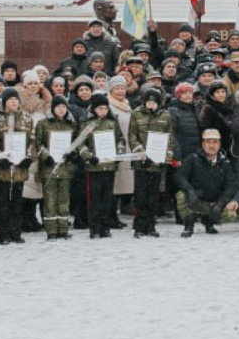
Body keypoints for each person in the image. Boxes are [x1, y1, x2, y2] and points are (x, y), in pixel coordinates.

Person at [127, 87, 174, 238]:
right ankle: (139, 226)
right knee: (140, 196)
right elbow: (132, 136)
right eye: (148, 102)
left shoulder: (165, 115)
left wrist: (165, 158)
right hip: (141, 162)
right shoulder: (136, 114)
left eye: (154, 102)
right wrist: (141, 153)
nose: (151, 105)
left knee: (153, 196)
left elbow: (170, 138)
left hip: (156, 163)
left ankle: (151, 225)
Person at [175, 129, 239, 236]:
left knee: (231, 214)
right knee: (181, 195)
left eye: (215, 142)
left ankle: (209, 221)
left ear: (219, 144)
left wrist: (220, 204)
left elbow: (231, 186)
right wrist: (190, 191)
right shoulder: (192, 158)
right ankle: (188, 224)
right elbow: (179, 176)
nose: (211, 145)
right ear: (203, 143)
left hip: (214, 202)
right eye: (208, 142)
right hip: (196, 199)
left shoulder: (225, 162)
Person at [35, 96, 82, 240]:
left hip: (65, 168)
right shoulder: (43, 124)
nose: (61, 110)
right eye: (58, 107)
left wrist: (72, 154)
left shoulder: (71, 125)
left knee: (64, 199)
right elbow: (37, 143)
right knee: (50, 200)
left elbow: (76, 143)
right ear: (53, 109)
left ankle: (63, 229)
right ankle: (51, 230)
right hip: (49, 168)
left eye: (63, 107)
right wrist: (46, 156)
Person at [0, 88, 34, 244]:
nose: (14, 102)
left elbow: (32, 140)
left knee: (17, 203)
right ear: (4, 102)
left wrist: (29, 157)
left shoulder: (26, 118)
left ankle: (16, 232)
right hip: (2, 169)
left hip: (19, 169)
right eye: (10, 99)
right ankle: (3, 234)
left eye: (16, 99)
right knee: (2, 203)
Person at [81, 96, 122, 239]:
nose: (103, 111)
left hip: (109, 165)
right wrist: (89, 156)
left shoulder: (113, 122)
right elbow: (81, 143)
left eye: (105, 108)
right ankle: (94, 228)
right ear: (94, 109)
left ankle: (105, 227)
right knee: (94, 199)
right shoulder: (88, 123)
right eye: (100, 108)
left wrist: (119, 153)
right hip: (94, 167)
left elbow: (120, 139)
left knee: (107, 199)